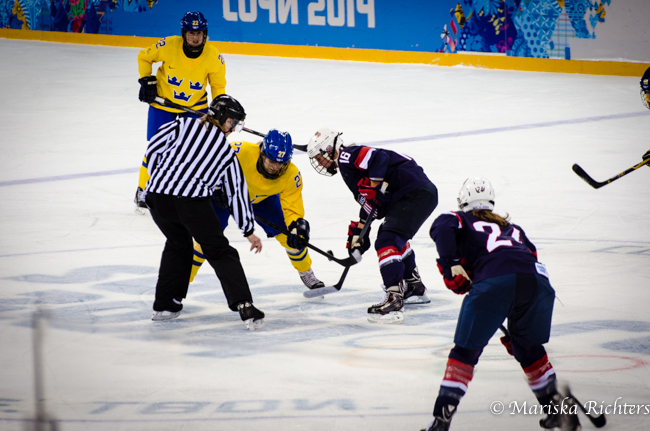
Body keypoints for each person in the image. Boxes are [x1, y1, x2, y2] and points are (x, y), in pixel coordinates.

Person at [421, 178, 580, 431]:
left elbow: (442, 226)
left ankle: (440, 421)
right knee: (529, 350)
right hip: (538, 283)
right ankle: (557, 412)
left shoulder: (459, 219)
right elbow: (528, 257)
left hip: (495, 283)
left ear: (463, 202)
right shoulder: (513, 228)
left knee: (464, 354)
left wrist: (451, 262)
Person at [143, 94, 265, 331]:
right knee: (220, 251)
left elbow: (153, 150)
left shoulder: (179, 124)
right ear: (221, 117)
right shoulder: (226, 152)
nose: (232, 129)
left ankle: (165, 304)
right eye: (232, 122)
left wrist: (157, 180)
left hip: (157, 198)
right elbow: (236, 192)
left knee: (178, 243)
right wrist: (248, 229)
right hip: (191, 203)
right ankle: (245, 305)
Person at [306, 128, 438, 323]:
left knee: (388, 240)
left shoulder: (346, 156)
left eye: (319, 158)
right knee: (390, 234)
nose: (319, 163)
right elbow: (374, 205)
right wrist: (360, 232)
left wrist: (375, 187)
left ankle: (394, 299)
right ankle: (414, 287)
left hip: (414, 193)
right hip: (413, 194)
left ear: (328, 149)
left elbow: (380, 157)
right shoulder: (347, 169)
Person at [189, 129, 325, 290]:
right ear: (262, 152)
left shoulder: (291, 174)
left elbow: (292, 208)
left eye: (281, 163)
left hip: (262, 200)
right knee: (205, 239)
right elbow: (209, 167)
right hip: (228, 195)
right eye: (271, 160)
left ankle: (306, 271)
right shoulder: (240, 151)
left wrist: (297, 225)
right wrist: (216, 187)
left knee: (291, 236)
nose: (275, 166)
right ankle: (182, 280)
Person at [135, 11, 227, 213]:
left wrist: (219, 108)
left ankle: (187, 191)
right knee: (157, 147)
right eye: (191, 33)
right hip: (163, 104)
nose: (195, 37)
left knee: (195, 150)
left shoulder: (214, 57)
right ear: (184, 33)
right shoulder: (168, 45)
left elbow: (218, 86)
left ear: (205, 34)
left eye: (199, 33)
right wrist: (146, 79)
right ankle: (144, 188)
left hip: (194, 108)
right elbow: (144, 57)